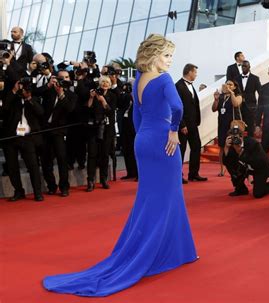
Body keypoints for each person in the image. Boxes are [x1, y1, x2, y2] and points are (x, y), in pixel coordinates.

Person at [43, 34, 198, 297]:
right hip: (163, 141)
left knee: (150, 198)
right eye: (167, 55)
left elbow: (137, 115)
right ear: (153, 55)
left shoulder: (138, 79)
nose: (170, 61)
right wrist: (172, 131)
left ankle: (174, 250)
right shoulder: (163, 79)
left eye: (171, 55)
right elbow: (178, 107)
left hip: (144, 140)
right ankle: (165, 253)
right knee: (167, 197)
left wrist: (143, 138)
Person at [39, 70, 77, 197]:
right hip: (45, 130)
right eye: (61, 78)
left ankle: (64, 187)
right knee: (45, 160)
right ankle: (51, 186)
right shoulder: (48, 92)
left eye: (66, 77)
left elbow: (70, 109)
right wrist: (48, 85)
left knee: (62, 159)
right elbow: (34, 93)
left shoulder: (71, 95)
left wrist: (61, 94)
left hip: (59, 131)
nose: (64, 80)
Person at [223, 126, 269, 198]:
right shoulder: (231, 146)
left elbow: (256, 161)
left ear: (242, 136)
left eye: (237, 137)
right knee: (233, 167)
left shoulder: (253, 143)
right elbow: (226, 162)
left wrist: (240, 151)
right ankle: (241, 189)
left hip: (260, 168)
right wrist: (226, 147)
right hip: (247, 167)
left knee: (258, 194)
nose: (236, 140)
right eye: (233, 138)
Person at [84, 76, 117, 192]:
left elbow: (111, 111)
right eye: (103, 82)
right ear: (99, 83)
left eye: (107, 82)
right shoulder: (94, 93)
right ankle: (90, 181)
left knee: (104, 155)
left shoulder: (112, 96)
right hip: (93, 129)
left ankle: (104, 179)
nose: (105, 84)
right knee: (92, 154)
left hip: (107, 130)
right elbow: (87, 109)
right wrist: (92, 98)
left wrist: (103, 100)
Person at [176, 63, 207, 183]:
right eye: (195, 72)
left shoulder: (191, 86)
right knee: (181, 150)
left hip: (193, 124)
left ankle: (193, 174)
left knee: (196, 147)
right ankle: (178, 175)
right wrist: (181, 124)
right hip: (183, 125)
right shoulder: (178, 86)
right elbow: (177, 107)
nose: (196, 75)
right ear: (189, 72)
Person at [212, 79, 243, 176]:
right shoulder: (221, 97)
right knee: (222, 147)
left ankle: (239, 167)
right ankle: (222, 169)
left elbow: (236, 104)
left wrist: (231, 93)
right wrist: (216, 100)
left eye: (230, 84)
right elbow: (214, 109)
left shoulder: (238, 96)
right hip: (222, 124)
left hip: (233, 125)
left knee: (235, 146)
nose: (228, 86)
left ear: (234, 87)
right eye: (227, 84)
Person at [235, 60, 261, 138]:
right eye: (242, 66)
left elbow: (260, 92)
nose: (243, 67)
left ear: (249, 67)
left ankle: (250, 145)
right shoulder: (236, 78)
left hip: (251, 107)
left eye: (245, 66)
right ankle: (239, 145)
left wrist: (259, 105)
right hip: (239, 107)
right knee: (239, 127)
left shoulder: (255, 78)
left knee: (250, 128)